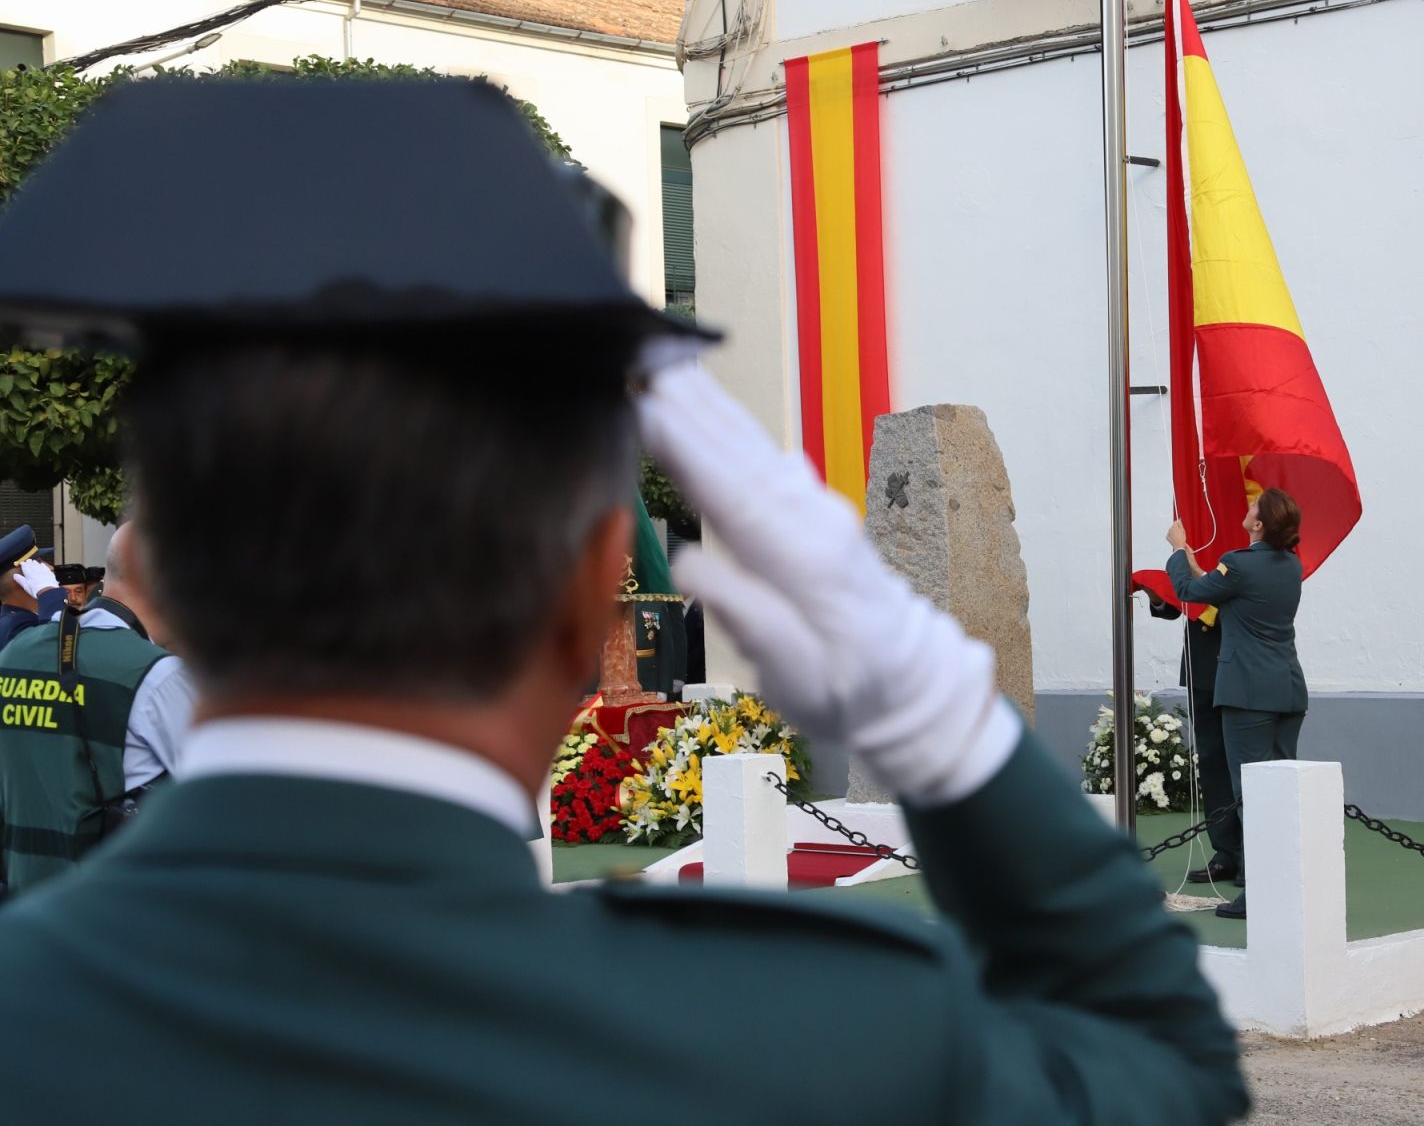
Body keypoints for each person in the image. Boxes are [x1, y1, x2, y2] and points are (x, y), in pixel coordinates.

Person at [0, 78, 1247, 1124]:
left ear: (148, 571)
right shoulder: (834, 1044)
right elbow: (1167, 1054)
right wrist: (932, 700)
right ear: (593, 585)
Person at [0, 520, 195, 892]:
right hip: (114, 918)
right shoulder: (158, 675)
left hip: (23, 911)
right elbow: (224, 807)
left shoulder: (14, 654)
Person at [1163, 488, 1309, 920]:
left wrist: (1175, 551)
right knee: (1283, 793)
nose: (1246, 511)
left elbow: (1190, 591)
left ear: (1259, 524)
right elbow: (1219, 586)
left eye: (1252, 509)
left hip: (1248, 695)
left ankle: (1258, 896)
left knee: (1254, 796)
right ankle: (1288, 887)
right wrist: (1195, 559)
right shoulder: (1289, 565)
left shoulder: (1241, 565)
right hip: (1286, 688)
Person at [1144, 592, 1239, 887]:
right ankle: (1225, 852)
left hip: (1239, 661)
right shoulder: (1193, 548)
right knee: (1211, 759)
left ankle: (1253, 854)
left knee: (1245, 762)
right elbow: (1178, 601)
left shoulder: (1249, 550)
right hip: (1202, 663)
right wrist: (1158, 596)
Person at [0, 525, 67, 649]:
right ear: (20, 580)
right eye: (39, 563)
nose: (50, 568)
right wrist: (49, 593)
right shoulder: (18, 627)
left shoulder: (12, 619)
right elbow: (59, 648)